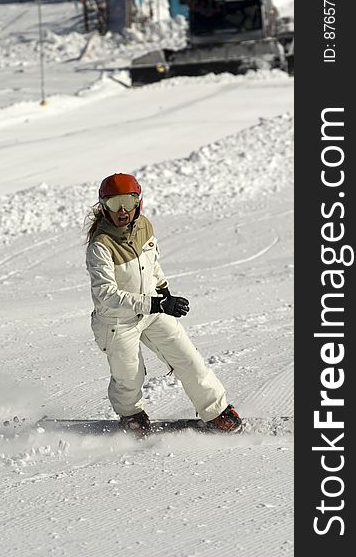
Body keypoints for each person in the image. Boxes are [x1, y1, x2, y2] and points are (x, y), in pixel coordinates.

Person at [85, 173, 242, 435]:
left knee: (189, 360)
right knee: (129, 377)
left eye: (128, 201)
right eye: (114, 203)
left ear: (139, 203)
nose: (122, 210)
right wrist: (156, 304)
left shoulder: (144, 226)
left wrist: (164, 291)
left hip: (153, 310)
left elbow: (152, 264)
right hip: (117, 321)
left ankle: (216, 413)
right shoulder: (100, 246)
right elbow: (106, 295)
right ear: (104, 206)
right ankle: (131, 416)